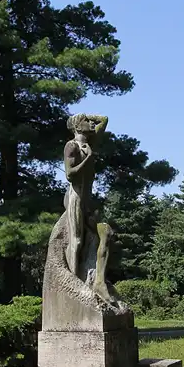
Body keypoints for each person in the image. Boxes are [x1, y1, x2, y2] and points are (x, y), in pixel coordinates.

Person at [63, 114, 108, 277]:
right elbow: (70, 174)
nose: (90, 123)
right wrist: (88, 157)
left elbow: (104, 119)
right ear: (76, 127)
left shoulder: (89, 144)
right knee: (76, 240)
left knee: (96, 237)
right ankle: (72, 281)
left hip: (87, 198)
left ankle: (92, 279)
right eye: (86, 121)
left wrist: (85, 117)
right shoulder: (72, 146)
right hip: (76, 195)